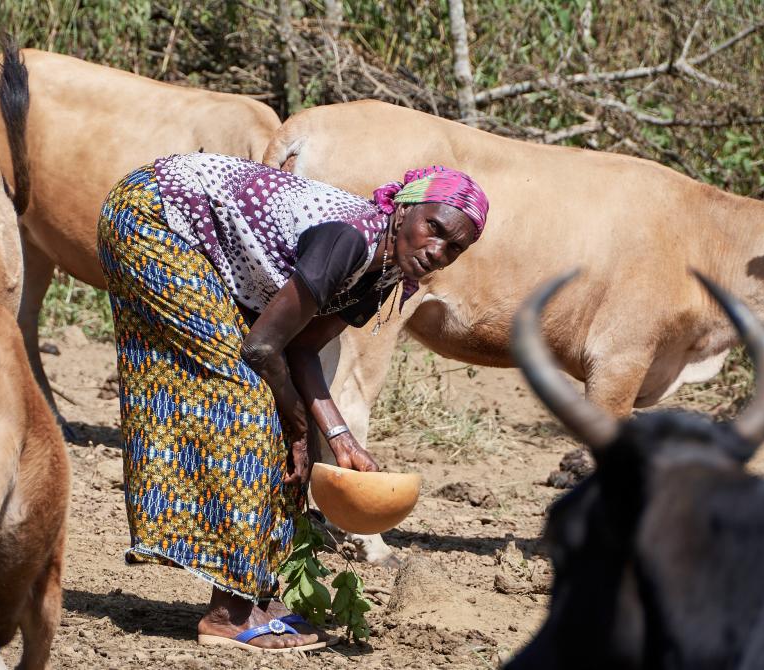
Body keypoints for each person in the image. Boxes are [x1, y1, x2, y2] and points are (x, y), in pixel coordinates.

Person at [96, 152, 489, 652]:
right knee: (248, 404)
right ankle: (228, 614)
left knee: (272, 415)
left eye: (454, 248)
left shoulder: (388, 272)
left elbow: (302, 346)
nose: (437, 250)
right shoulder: (351, 239)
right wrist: (302, 428)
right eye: (434, 228)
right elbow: (262, 347)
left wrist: (339, 439)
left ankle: (253, 590)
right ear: (405, 209)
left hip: (192, 236)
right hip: (152, 216)